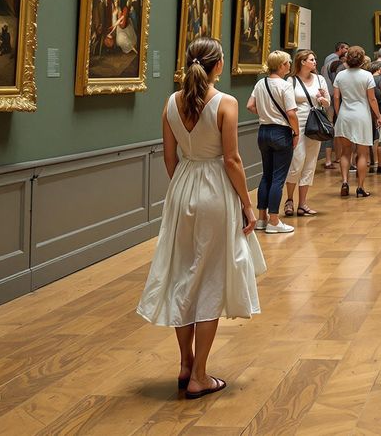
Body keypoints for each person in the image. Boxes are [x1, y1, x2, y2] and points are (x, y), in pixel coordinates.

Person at [136, 37, 261, 400]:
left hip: (183, 188)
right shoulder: (225, 102)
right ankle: (201, 376)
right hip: (216, 191)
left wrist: (183, 189)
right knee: (209, 279)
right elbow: (232, 160)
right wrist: (247, 204)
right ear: (218, 64)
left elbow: (169, 158)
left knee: (183, 274)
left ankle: (185, 363)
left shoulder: (171, 102)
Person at [246, 50, 298, 233]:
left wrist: (266, 114)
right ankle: (274, 221)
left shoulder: (261, 83)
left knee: (266, 175)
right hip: (280, 132)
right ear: (282, 65)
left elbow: (250, 105)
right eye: (288, 62)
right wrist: (296, 133)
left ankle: (262, 218)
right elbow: (291, 113)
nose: (290, 65)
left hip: (263, 132)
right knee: (278, 178)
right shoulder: (285, 86)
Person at [332, 45, 381, 198]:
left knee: (345, 152)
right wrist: (378, 115)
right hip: (362, 116)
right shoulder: (367, 76)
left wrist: (338, 113)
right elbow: (372, 98)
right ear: (361, 59)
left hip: (345, 115)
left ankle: (345, 182)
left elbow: (336, 97)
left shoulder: (340, 75)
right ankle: (360, 187)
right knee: (362, 154)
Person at [284, 50, 329, 217]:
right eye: (311, 59)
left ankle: (303, 203)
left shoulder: (320, 79)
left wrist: (322, 100)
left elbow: (327, 102)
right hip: (297, 125)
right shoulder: (291, 80)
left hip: (315, 124)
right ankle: (289, 200)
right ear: (302, 62)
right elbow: (286, 103)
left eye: (314, 59)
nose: (314, 61)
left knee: (310, 163)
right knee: (297, 162)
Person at [321, 42, 348, 169]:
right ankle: (329, 159)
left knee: (333, 128)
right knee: (331, 128)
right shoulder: (336, 64)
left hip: (329, 98)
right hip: (332, 99)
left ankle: (335, 158)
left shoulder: (325, 66)